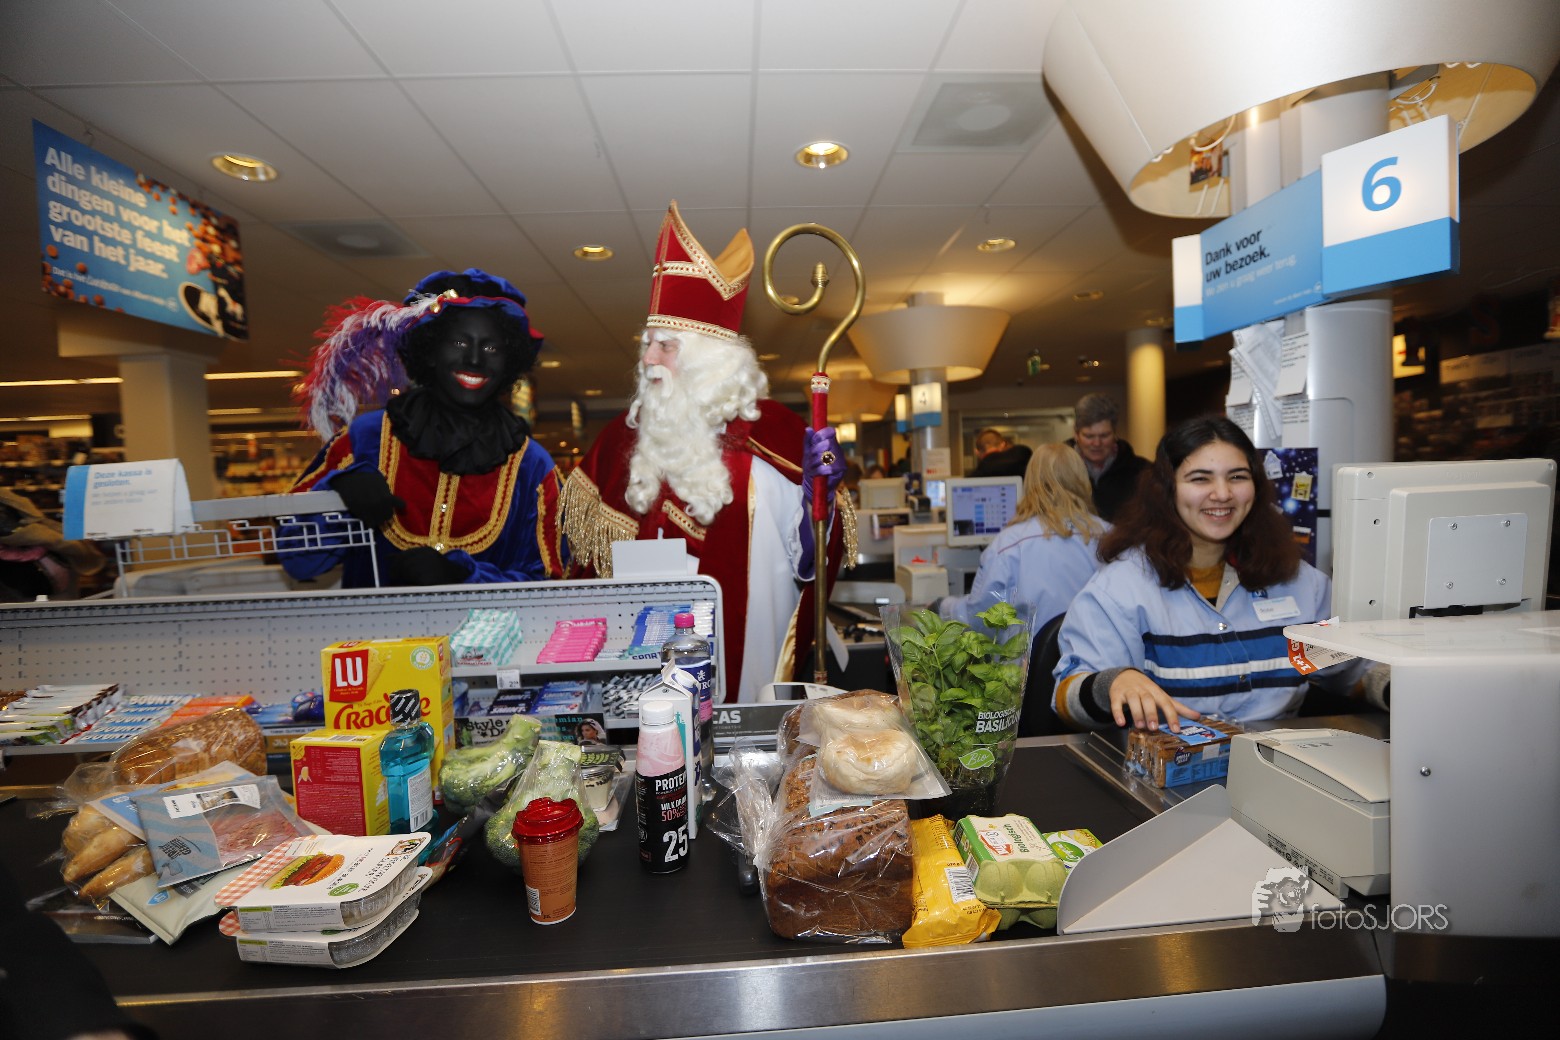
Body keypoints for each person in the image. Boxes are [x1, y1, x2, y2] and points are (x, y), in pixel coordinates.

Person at [541, 202, 851, 702]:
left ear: (709, 359)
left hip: (747, 658)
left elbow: (808, 562)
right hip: (640, 667)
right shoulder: (623, 437)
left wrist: (821, 496)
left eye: (665, 346)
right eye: (648, 344)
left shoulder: (773, 432)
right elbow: (586, 564)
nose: (648, 358)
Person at [1052, 415, 1368, 731]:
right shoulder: (1121, 589)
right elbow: (1067, 696)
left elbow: (1345, 670)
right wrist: (1113, 682)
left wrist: (1390, 684)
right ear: (1167, 489)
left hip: (1279, 757)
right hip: (1168, 758)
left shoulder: (1297, 582)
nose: (1222, 493)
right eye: (1200, 479)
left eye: (1237, 477)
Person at [281, 269, 559, 587]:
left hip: (485, 624)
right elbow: (297, 560)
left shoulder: (532, 465)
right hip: (373, 622)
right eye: (458, 342)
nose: (474, 359)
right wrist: (336, 500)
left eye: (491, 348)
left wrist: (466, 577)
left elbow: (551, 581)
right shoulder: (365, 439)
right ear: (429, 351)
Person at [936, 443, 1107, 632]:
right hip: (1098, 650)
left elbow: (980, 618)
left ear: (1031, 482)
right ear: (1082, 480)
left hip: (1031, 652)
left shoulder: (1009, 544)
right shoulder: (1111, 537)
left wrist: (944, 607)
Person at [1066, 393, 1149, 521]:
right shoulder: (1058, 470)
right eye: (1089, 436)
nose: (1097, 443)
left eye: (1104, 436)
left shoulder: (1142, 472)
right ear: (1076, 435)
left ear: (1115, 434)